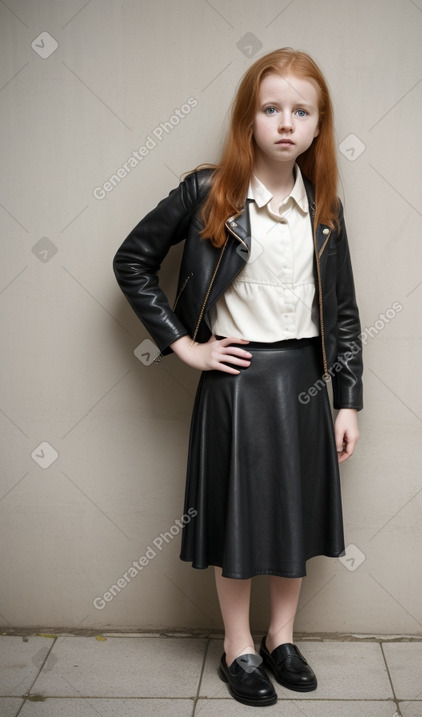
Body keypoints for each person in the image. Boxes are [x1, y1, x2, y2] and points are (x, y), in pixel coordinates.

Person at [113, 47, 363, 708]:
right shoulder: (208, 191)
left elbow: (342, 313)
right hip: (238, 382)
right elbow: (132, 260)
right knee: (239, 519)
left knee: (293, 515)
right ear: (248, 119)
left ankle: (281, 636)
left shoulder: (325, 207)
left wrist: (349, 400)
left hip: (306, 379)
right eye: (271, 108)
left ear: (317, 124)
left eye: (301, 110)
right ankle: (238, 645)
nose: (286, 122)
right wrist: (185, 347)